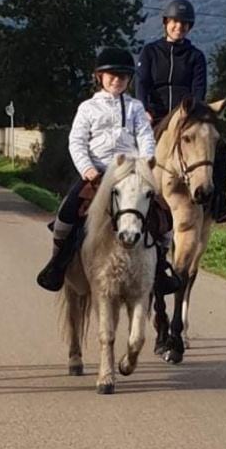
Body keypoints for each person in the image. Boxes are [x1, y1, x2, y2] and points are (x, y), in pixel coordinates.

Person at [36, 47, 178, 294]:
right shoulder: (88, 108)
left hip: (129, 174)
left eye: (122, 76)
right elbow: (77, 141)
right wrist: (87, 168)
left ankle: (161, 266)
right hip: (97, 174)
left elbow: (145, 137)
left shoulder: (134, 107)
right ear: (99, 77)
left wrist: (146, 162)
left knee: (164, 213)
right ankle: (57, 264)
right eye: (111, 75)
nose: (117, 80)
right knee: (67, 212)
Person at [135, 0, 226, 223]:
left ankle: (219, 202)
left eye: (184, 24)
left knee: (220, 148)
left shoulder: (196, 57)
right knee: (129, 146)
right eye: (174, 22)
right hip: (157, 116)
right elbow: (142, 83)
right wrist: (144, 109)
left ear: (189, 27)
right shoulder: (150, 52)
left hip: (186, 117)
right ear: (165, 23)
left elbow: (198, 89)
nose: (178, 27)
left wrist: (193, 116)